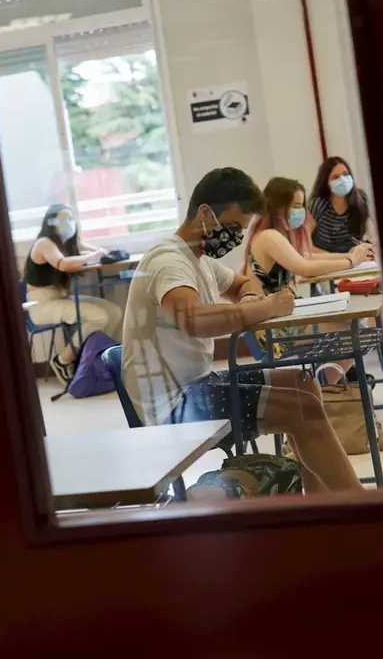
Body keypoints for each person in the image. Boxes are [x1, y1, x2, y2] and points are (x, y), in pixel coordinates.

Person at [122, 167, 364, 494]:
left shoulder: (199, 259)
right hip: (173, 407)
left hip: (195, 385)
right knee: (302, 411)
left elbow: (243, 281)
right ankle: (357, 505)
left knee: (302, 385)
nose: (236, 236)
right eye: (233, 226)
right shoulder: (168, 261)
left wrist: (250, 297)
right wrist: (265, 307)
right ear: (205, 213)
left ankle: (317, 507)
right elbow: (195, 319)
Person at [241, 177, 373, 367]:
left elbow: (307, 258)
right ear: (279, 207)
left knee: (356, 329)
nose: (302, 211)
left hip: (282, 316)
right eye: (296, 205)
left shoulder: (278, 234)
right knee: (355, 334)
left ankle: (326, 388)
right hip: (271, 327)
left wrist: (350, 256)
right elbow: (305, 267)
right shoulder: (269, 237)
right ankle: (326, 389)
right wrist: (351, 260)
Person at [24, 204, 123, 387]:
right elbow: (62, 264)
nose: (68, 223)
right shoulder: (44, 243)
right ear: (50, 222)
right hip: (41, 304)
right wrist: (92, 255)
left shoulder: (67, 242)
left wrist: (99, 253)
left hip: (60, 298)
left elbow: (95, 252)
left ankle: (94, 359)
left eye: (70, 219)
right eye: (63, 219)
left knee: (114, 311)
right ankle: (63, 360)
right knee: (99, 316)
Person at [309, 156, 371, 254]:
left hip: (356, 259)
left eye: (346, 174)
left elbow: (369, 236)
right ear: (326, 182)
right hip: (326, 260)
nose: (343, 180)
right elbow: (305, 245)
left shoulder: (361, 199)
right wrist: (340, 258)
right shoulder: (318, 204)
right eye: (336, 177)